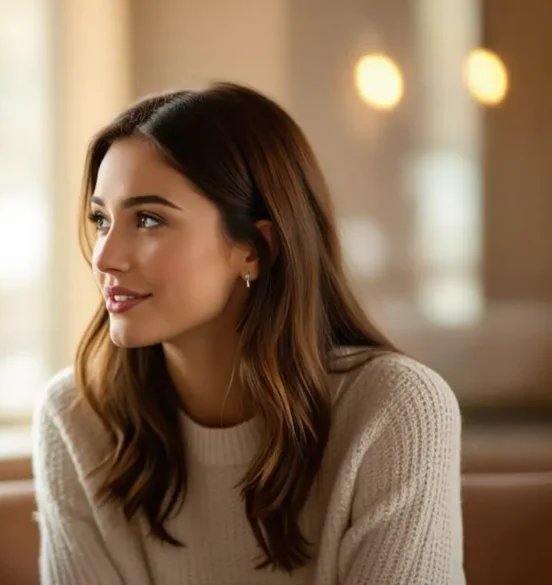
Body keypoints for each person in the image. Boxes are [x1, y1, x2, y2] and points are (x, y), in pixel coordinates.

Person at [33, 84, 464, 584]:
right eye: (102, 220)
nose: (105, 257)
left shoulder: (396, 409)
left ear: (255, 249)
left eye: (148, 220)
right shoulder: (76, 417)